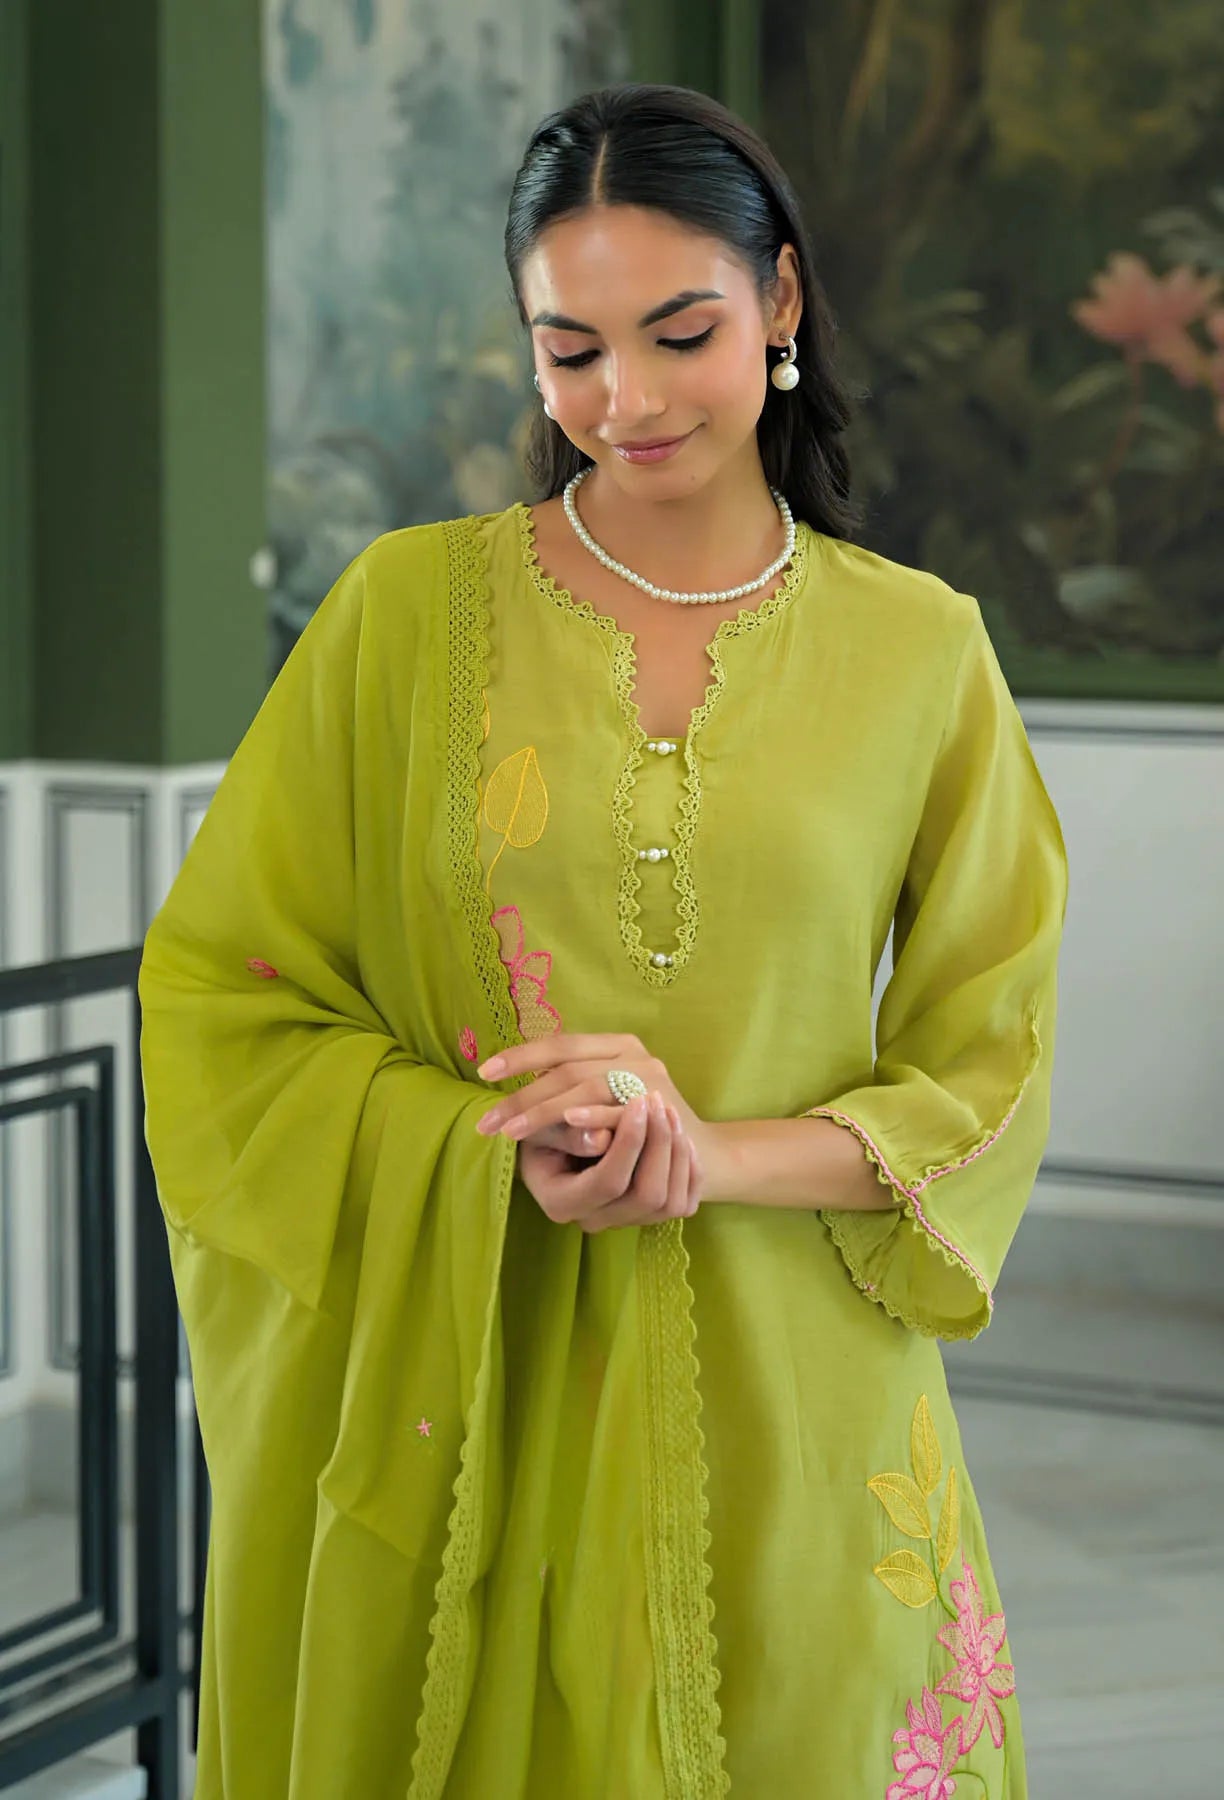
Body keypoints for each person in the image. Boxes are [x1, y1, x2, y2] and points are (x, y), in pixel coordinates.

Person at [139, 82, 1067, 1800]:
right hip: (471, 1397)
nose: (623, 401)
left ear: (781, 302)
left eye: (679, 331)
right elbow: (223, 996)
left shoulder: (921, 653)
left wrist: (705, 1154)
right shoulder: (402, 619)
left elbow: (987, 1068)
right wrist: (488, 1139)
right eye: (570, 351)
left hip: (800, 1401)